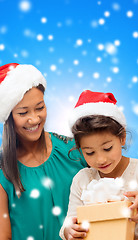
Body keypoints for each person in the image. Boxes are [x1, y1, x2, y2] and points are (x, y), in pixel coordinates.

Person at [0, 63, 87, 240]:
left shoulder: (74, 150)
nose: (34, 119)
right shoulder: (3, 172)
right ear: (8, 118)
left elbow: (113, 190)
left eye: (40, 107)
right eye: (23, 113)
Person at [59, 90, 138, 240]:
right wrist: (69, 230)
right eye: (89, 152)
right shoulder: (82, 180)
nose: (100, 160)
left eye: (107, 148)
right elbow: (71, 220)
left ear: (122, 138)